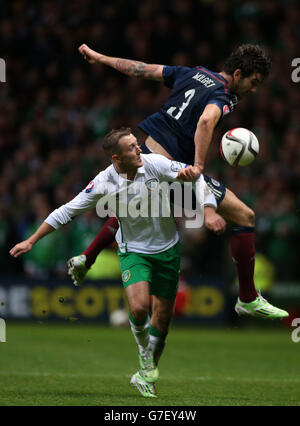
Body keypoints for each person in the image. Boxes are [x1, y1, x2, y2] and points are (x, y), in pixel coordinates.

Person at [68, 43, 288, 320]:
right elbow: (207, 121)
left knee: (133, 211)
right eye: (253, 82)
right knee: (245, 216)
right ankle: (247, 297)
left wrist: (101, 57)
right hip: (171, 172)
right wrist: (197, 165)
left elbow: (142, 70)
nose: (254, 90)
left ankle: (86, 258)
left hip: (145, 156)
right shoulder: (221, 94)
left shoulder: (192, 73)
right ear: (238, 73)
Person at [10, 127, 215, 398]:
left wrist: (203, 199)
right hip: (134, 251)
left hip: (168, 249)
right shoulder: (104, 182)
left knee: (162, 317)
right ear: (117, 158)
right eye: (131, 147)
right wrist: (32, 240)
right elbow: (66, 211)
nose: (139, 149)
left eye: (137, 144)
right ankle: (144, 356)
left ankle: (146, 374)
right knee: (141, 308)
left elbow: (196, 178)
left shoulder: (154, 163)